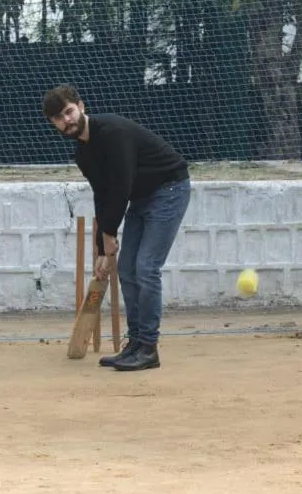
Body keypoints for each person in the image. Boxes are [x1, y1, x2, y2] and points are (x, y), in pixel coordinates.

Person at [43, 84, 191, 372]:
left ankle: (149, 347)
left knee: (146, 267)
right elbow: (103, 194)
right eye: (59, 118)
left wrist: (110, 236)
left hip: (169, 189)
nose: (67, 120)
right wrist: (101, 248)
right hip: (141, 197)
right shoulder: (83, 155)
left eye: (69, 112)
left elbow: (121, 186)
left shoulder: (112, 132)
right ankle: (135, 344)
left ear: (81, 107)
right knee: (125, 269)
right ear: (53, 124)